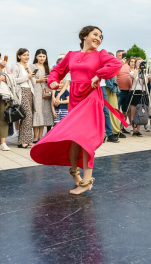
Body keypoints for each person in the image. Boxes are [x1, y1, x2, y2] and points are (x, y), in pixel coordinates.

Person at [30, 25, 123, 195]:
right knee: (74, 139)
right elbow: (57, 71)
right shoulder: (71, 55)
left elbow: (116, 64)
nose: (98, 38)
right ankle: (75, 174)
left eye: (101, 36)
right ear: (84, 36)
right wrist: (52, 82)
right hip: (75, 97)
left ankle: (87, 181)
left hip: (91, 96)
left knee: (85, 138)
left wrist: (99, 74)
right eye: (95, 34)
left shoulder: (101, 54)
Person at [11, 48, 36, 148]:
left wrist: (29, 71)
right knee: (27, 116)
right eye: (24, 55)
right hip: (22, 92)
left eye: (28, 55)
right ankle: (22, 141)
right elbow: (13, 80)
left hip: (30, 91)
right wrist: (27, 76)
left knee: (29, 117)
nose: (27, 57)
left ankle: (27, 140)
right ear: (19, 56)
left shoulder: (28, 67)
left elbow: (34, 83)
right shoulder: (16, 66)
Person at [30, 49, 53, 143]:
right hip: (36, 90)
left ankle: (41, 136)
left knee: (44, 112)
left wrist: (49, 79)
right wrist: (39, 80)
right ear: (36, 56)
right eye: (40, 56)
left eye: (43, 56)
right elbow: (30, 79)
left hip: (46, 91)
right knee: (37, 111)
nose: (42, 58)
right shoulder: (32, 66)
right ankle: (35, 136)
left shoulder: (48, 67)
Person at [129, 58, 148, 137]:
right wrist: (137, 69)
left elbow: (146, 82)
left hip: (143, 91)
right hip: (135, 91)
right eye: (138, 62)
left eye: (141, 62)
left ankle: (138, 130)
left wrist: (143, 71)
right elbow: (133, 77)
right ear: (136, 64)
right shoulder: (132, 71)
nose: (140, 64)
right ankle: (134, 130)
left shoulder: (144, 73)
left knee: (140, 112)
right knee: (133, 112)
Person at [115, 50, 132, 126]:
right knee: (116, 110)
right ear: (116, 57)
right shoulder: (115, 65)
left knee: (125, 111)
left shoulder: (128, 66)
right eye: (119, 56)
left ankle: (122, 128)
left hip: (127, 91)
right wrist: (119, 65)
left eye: (123, 55)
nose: (121, 57)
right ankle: (116, 128)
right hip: (118, 91)